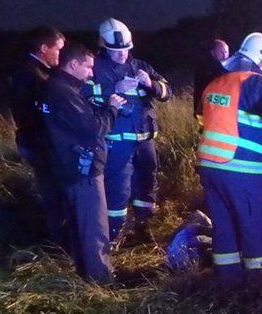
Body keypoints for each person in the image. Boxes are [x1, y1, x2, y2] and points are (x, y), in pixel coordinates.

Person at [196, 32, 262, 284]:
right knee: (254, 226)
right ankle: (260, 289)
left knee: (225, 229)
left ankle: (228, 287)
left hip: (211, 168)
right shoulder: (255, 83)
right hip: (241, 169)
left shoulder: (217, 82)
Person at [40, 43, 125, 283]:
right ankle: (101, 279)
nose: (91, 73)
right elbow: (93, 129)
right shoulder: (63, 93)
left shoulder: (54, 88)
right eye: (87, 67)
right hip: (82, 170)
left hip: (66, 167)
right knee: (94, 228)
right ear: (73, 64)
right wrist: (112, 109)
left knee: (79, 227)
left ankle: (84, 275)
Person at [88, 18, 171, 244]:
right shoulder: (94, 67)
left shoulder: (142, 66)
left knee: (147, 183)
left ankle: (143, 227)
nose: (122, 54)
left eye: (125, 50)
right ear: (103, 46)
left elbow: (167, 91)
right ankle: (112, 238)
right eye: (116, 51)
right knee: (118, 188)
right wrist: (113, 90)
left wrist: (151, 85)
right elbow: (86, 96)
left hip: (145, 140)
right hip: (117, 142)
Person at [8, 25, 67, 246]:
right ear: (44, 48)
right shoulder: (30, 75)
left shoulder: (33, 70)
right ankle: (58, 242)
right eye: (58, 50)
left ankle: (58, 236)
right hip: (39, 144)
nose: (60, 56)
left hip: (37, 142)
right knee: (53, 191)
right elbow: (34, 114)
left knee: (53, 190)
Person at [193, 38, 229, 117]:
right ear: (212, 52)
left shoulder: (222, 68)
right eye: (221, 52)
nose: (224, 55)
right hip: (209, 112)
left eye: (226, 52)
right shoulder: (209, 68)